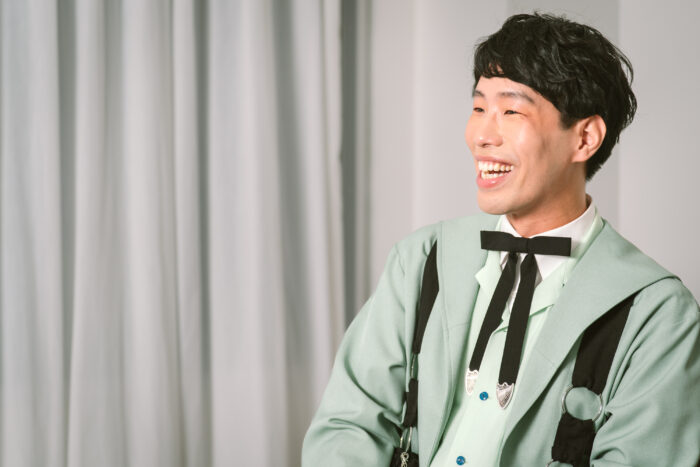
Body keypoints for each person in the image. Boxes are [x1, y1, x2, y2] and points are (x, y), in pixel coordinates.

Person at [302, 13, 700, 467]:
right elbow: (347, 426)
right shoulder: (421, 259)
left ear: (585, 138)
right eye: (478, 109)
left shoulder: (657, 314)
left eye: (511, 111)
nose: (481, 136)